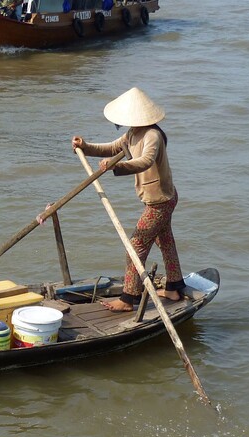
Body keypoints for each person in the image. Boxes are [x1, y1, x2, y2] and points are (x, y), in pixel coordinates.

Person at [73, 87, 184, 312]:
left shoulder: (152, 135)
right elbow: (113, 148)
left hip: (160, 201)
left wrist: (118, 165)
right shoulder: (133, 133)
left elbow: (145, 161)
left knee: (136, 245)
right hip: (157, 199)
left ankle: (128, 298)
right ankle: (174, 287)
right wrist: (85, 146)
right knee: (165, 241)